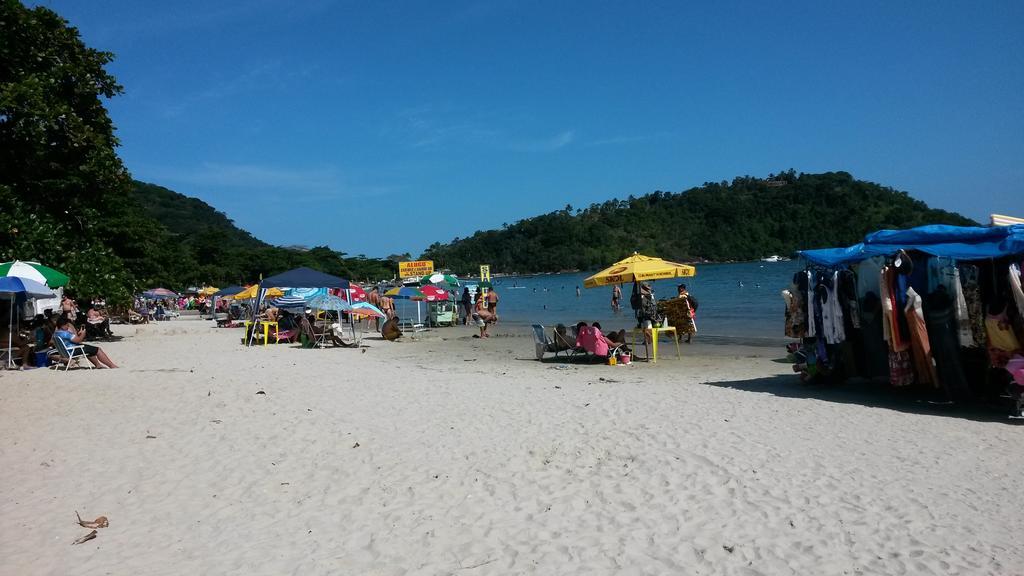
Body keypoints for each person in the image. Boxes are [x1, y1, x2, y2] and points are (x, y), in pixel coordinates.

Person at [53, 317, 118, 368]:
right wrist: (83, 334)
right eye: (67, 325)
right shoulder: (65, 334)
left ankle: (98, 365)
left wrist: (79, 334)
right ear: (62, 326)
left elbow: (74, 340)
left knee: (89, 349)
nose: (68, 327)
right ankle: (111, 365)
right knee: (98, 349)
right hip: (72, 351)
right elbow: (78, 340)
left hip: (65, 352)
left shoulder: (56, 334)